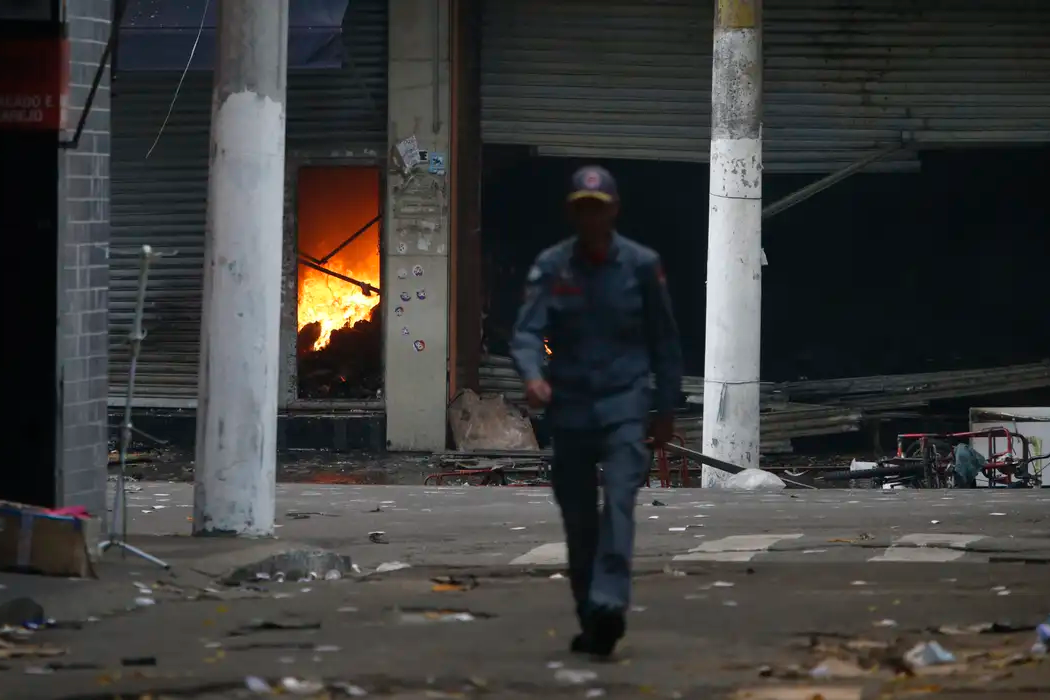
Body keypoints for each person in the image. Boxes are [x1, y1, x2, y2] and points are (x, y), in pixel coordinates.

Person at [510, 165, 683, 657]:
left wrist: (665, 407)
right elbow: (526, 332)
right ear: (572, 213)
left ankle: (609, 600)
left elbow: (664, 340)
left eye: (598, 209)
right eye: (582, 210)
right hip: (570, 408)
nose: (590, 219)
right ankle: (592, 613)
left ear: (614, 211)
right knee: (579, 517)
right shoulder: (552, 266)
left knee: (621, 501)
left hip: (625, 404)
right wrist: (532, 376)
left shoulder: (643, 265)